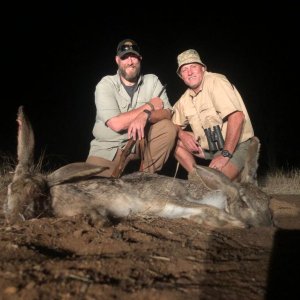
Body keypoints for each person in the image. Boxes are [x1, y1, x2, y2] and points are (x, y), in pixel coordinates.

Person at [86, 38, 177, 177]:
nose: (130, 62)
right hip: (108, 147)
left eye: (133, 57)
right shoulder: (105, 84)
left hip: (140, 141)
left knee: (167, 128)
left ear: (139, 59)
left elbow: (167, 113)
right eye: (125, 58)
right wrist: (149, 106)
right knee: (90, 189)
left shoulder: (152, 80)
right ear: (117, 60)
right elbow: (116, 124)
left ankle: (145, 177)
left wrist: (146, 115)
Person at [172, 49, 255, 181]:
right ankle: (197, 178)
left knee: (216, 184)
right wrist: (181, 134)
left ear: (203, 69)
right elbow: (171, 124)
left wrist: (225, 155)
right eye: (184, 69)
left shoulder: (216, 81)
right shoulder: (185, 99)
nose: (189, 72)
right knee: (171, 139)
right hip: (211, 147)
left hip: (237, 146)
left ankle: (231, 174)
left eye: (193, 66)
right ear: (181, 76)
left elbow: (237, 118)